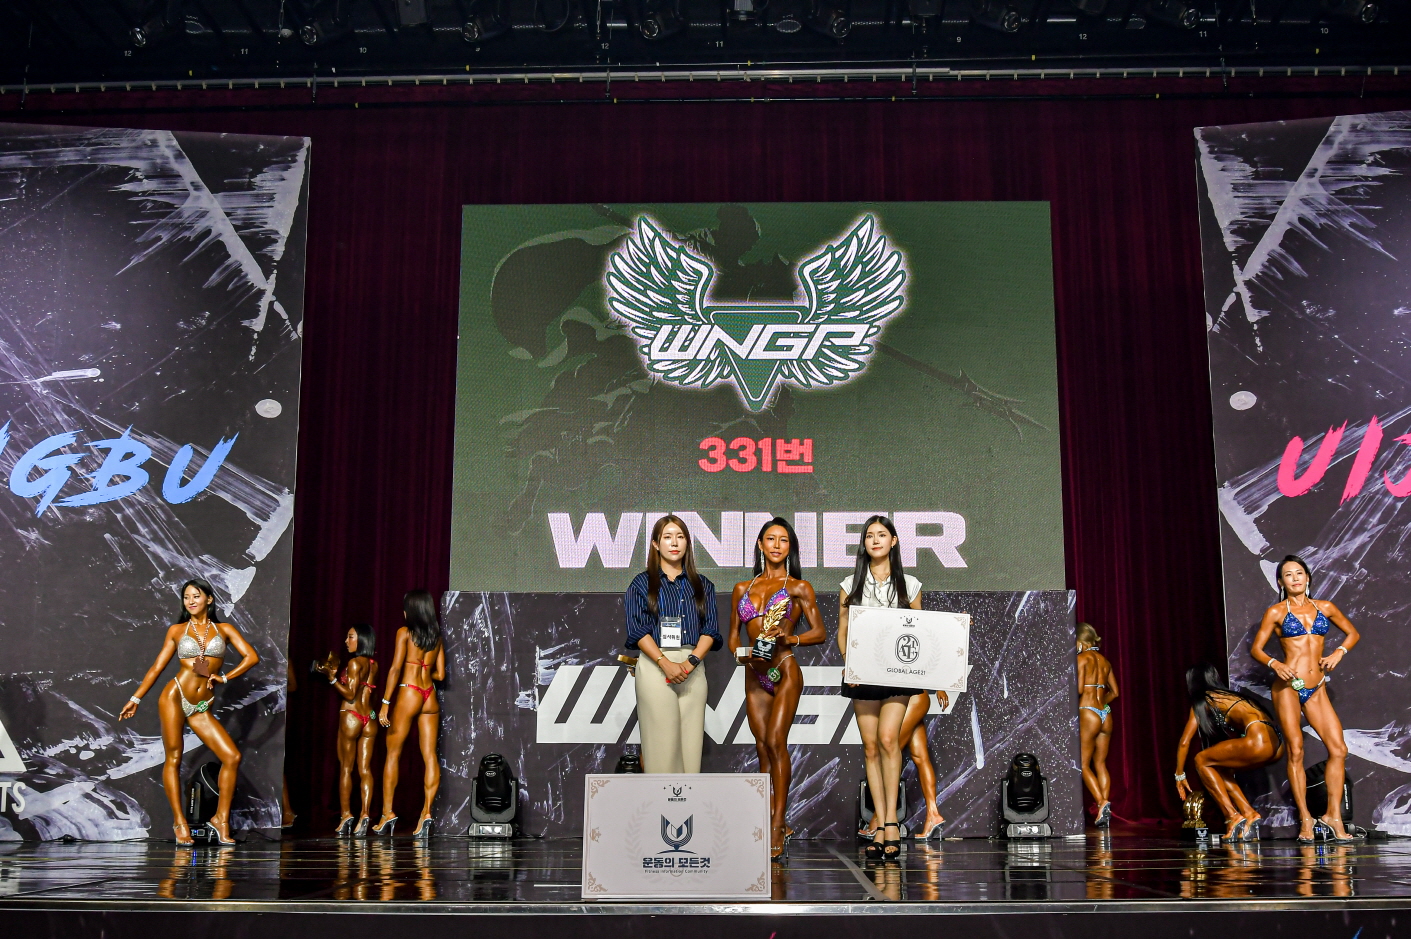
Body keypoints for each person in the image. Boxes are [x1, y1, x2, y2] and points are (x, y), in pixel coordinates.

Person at [838, 515, 948, 861]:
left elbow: (923, 632)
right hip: (861, 675)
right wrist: (849, 663)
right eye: (869, 535)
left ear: (894, 541)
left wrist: (953, 633)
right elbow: (843, 631)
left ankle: (890, 823)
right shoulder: (850, 584)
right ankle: (882, 824)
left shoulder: (910, 585)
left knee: (888, 740)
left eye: (882, 534)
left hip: (896, 675)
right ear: (864, 543)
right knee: (871, 747)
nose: (875, 540)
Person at [119, 578, 260, 846]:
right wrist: (135, 698)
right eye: (186, 597)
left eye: (196, 596)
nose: (191, 601)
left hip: (202, 705)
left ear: (209, 599)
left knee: (232, 756)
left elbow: (251, 657)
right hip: (175, 696)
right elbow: (157, 667)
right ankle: (179, 822)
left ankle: (220, 820)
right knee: (174, 758)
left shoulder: (225, 629)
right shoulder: (177, 630)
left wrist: (225, 677)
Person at [729, 517, 827, 860]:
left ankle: (777, 822)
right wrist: (741, 655)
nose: (776, 545)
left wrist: (791, 638)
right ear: (760, 544)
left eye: (783, 540)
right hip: (754, 673)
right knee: (761, 748)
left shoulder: (799, 587)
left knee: (775, 742)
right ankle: (767, 816)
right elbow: (733, 637)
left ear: (790, 548)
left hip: (783, 669)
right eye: (770, 539)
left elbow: (820, 632)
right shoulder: (742, 588)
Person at [1249, 555, 1360, 843]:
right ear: (1281, 582)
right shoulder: (1276, 612)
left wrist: (1338, 653)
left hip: (1317, 686)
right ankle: (1306, 819)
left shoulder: (1325, 607)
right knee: (1296, 751)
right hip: (1288, 687)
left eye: (1299, 573)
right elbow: (1257, 649)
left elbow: (1352, 633)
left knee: (1338, 749)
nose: (1295, 578)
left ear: (1307, 577)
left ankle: (1333, 815)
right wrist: (1275, 664)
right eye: (1289, 574)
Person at [624, 515, 722, 773]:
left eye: (680, 537)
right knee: (661, 748)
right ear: (656, 544)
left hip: (693, 666)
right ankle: (659, 801)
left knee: (691, 749)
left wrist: (691, 663)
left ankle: (688, 801)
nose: (674, 543)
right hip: (655, 665)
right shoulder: (641, 583)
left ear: (687, 542)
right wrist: (664, 663)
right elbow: (638, 630)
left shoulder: (703, 585)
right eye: (667, 537)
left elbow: (711, 630)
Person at [1173, 663, 1284, 842]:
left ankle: (1232, 816)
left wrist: (1179, 774)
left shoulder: (1205, 699)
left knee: (1201, 759)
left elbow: (1185, 742)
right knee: (1219, 767)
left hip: (1258, 739)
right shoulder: (1232, 696)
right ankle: (1249, 813)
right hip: (1276, 744)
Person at [376, 590, 446, 840]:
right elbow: (440, 674)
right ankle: (426, 813)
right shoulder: (436, 637)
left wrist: (385, 702)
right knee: (430, 755)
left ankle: (387, 813)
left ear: (412, 610)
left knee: (392, 753)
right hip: (429, 694)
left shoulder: (404, 633)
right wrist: (424, 671)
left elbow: (395, 669)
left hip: (409, 692)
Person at [317, 623, 380, 836]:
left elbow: (350, 694)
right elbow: (368, 694)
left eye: (351, 637)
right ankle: (365, 814)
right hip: (369, 719)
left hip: (351, 716)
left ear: (362, 639)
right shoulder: (374, 665)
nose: (346, 641)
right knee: (365, 769)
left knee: (346, 768)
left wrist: (332, 679)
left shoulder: (354, 663)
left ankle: (346, 815)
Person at [1075, 622, 1118, 827]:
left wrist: (1090, 705)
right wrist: (1101, 704)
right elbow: (1115, 692)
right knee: (1100, 764)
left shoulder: (1082, 658)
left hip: (1089, 712)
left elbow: (1079, 689)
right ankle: (1103, 813)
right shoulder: (1105, 662)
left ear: (1081, 642)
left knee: (1083, 764)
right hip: (1105, 714)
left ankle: (1102, 802)